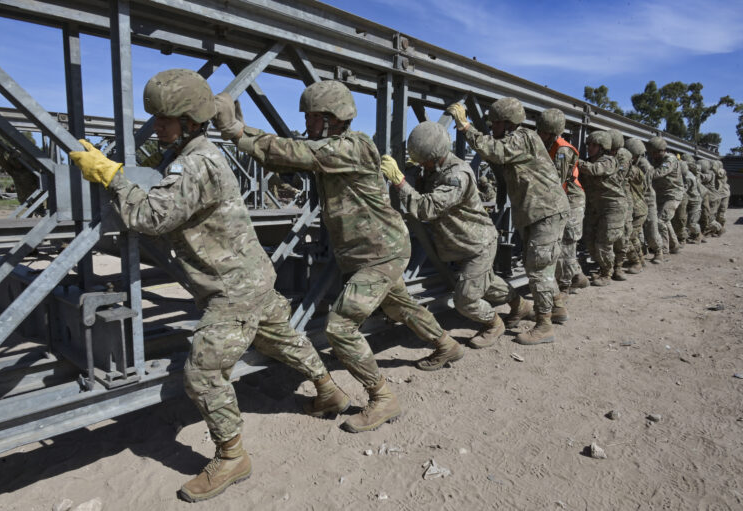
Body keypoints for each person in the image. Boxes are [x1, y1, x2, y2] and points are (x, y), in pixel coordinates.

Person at [69, 69, 349, 502]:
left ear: (192, 121)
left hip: (232, 288)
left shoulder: (197, 162)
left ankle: (232, 456)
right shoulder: (189, 151)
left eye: (166, 119)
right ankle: (329, 390)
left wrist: (113, 177)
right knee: (283, 339)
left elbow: (149, 217)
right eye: (157, 118)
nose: (158, 126)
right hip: (251, 276)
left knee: (201, 373)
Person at [216, 80, 462, 434]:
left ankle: (382, 398)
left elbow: (296, 153)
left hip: (380, 253)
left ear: (333, 119)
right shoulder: (332, 147)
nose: (308, 124)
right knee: (401, 306)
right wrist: (246, 131)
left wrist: (235, 130)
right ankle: (446, 344)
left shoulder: (350, 148)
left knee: (340, 327)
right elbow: (292, 154)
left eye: (313, 118)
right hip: (375, 250)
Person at [380, 121, 532, 348]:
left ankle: (494, 324)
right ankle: (520, 306)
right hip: (463, 244)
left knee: (465, 299)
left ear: (436, 155)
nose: (423, 165)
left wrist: (400, 182)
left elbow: (427, 208)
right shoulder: (436, 168)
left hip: (477, 245)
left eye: (424, 160)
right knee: (486, 283)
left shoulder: (457, 175)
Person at [447, 98, 569, 345]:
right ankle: (556, 308)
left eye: (495, 124)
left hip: (544, 211)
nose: (492, 128)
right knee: (539, 264)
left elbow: (494, 151)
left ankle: (544, 326)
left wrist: (466, 127)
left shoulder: (522, 137)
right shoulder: (521, 139)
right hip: (538, 212)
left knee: (537, 268)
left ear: (508, 123)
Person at [535, 108, 588, 296]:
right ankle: (578, 276)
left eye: (542, 131)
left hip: (571, 199)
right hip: (562, 197)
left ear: (552, 131)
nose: (539, 134)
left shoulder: (562, 150)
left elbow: (557, 183)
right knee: (564, 243)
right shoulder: (547, 145)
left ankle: (564, 286)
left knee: (566, 242)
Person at [577, 131, 625, 286]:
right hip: (595, 208)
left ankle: (607, 273)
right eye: (589, 145)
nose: (590, 148)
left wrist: (573, 160)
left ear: (603, 148)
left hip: (613, 207)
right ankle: (604, 267)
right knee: (590, 241)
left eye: (594, 145)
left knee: (604, 243)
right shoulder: (587, 161)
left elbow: (594, 170)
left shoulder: (609, 161)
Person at [646, 136, 683, 255]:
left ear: (660, 150)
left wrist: (644, 174)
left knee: (661, 220)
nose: (652, 155)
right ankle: (674, 245)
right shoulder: (656, 160)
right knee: (665, 220)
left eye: (654, 152)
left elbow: (659, 173)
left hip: (673, 195)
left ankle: (664, 250)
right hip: (662, 195)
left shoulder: (670, 159)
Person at [608, 130, 633, 281]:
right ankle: (608, 269)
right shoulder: (609, 155)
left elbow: (618, 177)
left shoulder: (623, 155)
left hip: (622, 197)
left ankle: (618, 267)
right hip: (610, 197)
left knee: (623, 234)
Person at [622, 139, 647, 273]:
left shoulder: (634, 171)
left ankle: (636, 262)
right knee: (634, 237)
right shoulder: (635, 169)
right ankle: (641, 260)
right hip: (639, 209)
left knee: (628, 237)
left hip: (637, 210)